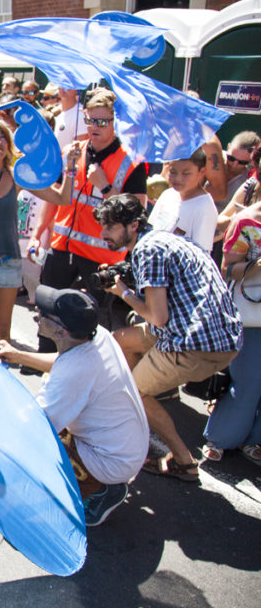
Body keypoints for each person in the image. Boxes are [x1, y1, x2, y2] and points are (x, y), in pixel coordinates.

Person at [96, 194, 241, 482]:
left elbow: (157, 316)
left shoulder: (147, 250)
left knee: (133, 392)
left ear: (134, 225)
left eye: (110, 227)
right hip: (220, 334)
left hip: (194, 342)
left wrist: (122, 291)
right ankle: (130, 419)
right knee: (119, 340)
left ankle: (184, 461)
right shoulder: (165, 237)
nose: (103, 234)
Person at [0, 287, 148, 526]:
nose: (37, 311)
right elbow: (65, 360)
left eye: (45, 313)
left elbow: (35, 429)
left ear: (61, 330)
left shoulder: (74, 373)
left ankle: (99, 490)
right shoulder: (98, 336)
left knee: (28, 460)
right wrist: (18, 355)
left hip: (110, 461)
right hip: (126, 447)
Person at [38, 88, 148, 350]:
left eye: (102, 121)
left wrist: (106, 186)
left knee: (91, 321)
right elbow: (55, 197)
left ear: (115, 123)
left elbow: (137, 215)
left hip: (101, 255)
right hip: (62, 246)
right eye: (90, 119)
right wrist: (38, 232)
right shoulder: (72, 151)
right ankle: (44, 363)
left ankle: (89, 371)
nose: (94, 126)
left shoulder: (131, 162)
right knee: (49, 309)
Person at [0, 115, 75, 344]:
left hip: (6, 262)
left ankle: (0, 369)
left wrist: (70, 169)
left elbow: (62, 198)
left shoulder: (17, 175)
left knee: (2, 334)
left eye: (3, 138)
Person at [202, 200, 261, 464]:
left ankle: (254, 439)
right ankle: (222, 437)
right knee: (248, 382)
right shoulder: (247, 221)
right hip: (253, 319)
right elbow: (229, 269)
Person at [147, 148, 217, 251]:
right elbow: (150, 232)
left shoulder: (204, 207)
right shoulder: (167, 195)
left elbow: (200, 254)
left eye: (186, 173)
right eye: (173, 172)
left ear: (202, 171)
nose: (178, 179)